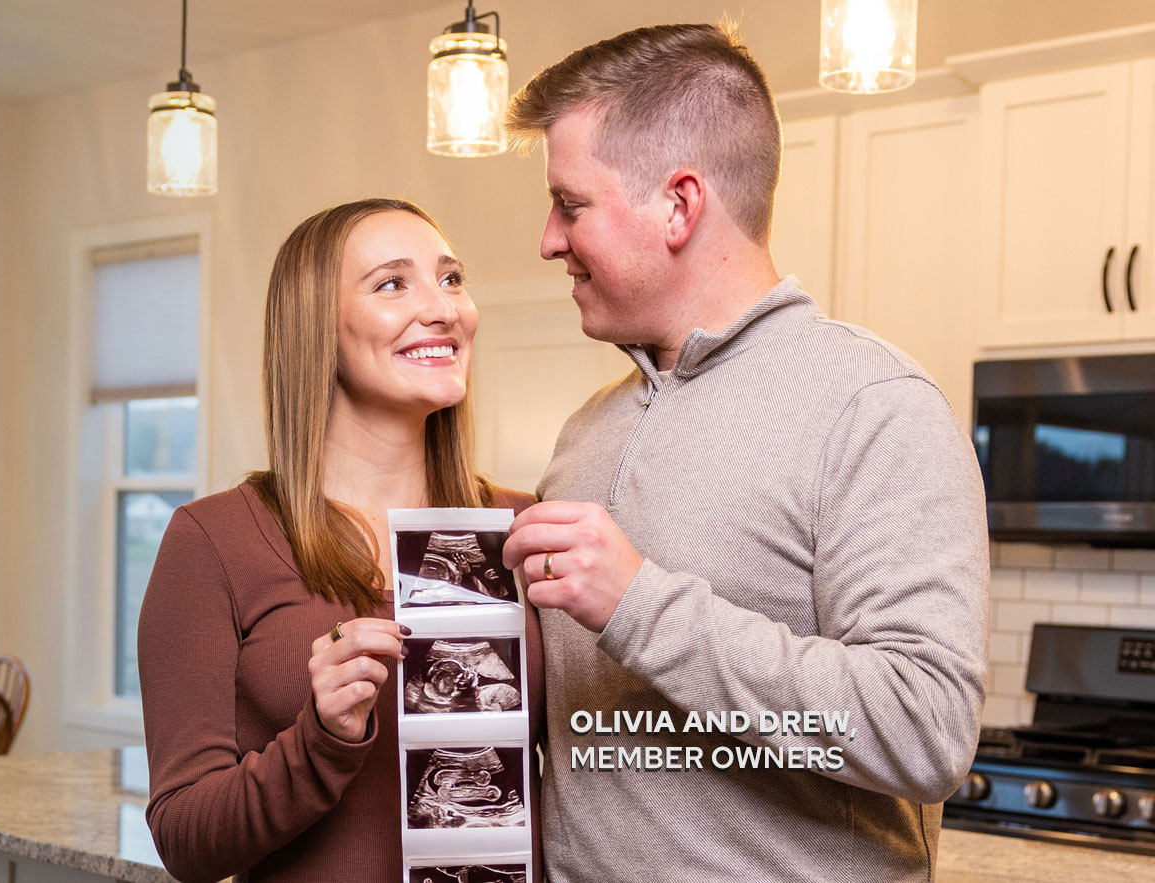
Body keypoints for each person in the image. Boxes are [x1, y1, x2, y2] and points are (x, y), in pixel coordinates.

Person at [496, 23, 987, 882]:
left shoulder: (873, 406)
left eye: (569, 204)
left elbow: (926, 728)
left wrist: (641, 604)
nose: (547, 239)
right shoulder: (587, 429)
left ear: (680, 205)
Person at [138, 198, 538, 883]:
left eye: (450, 278)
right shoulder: (213, 541)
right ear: (316, 329)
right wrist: (321, 738)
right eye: (392, 283)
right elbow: (185, 839)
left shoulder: (522, 529)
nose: (444, 308)